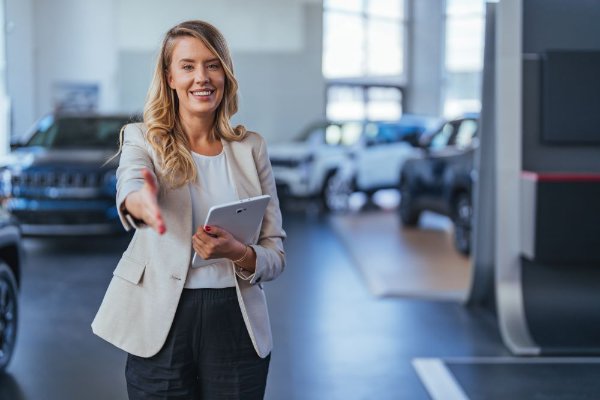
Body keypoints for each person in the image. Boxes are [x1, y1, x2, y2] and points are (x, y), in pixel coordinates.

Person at [92, 20, 286, 399]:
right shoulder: (142, 138)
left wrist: (238, 253)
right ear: (169, 76)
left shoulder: (252, 148)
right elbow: (132, 182)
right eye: (188, 65)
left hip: (236, 321)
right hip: (160, 319)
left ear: (226, 74)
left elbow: (275, 255)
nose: (202, 77)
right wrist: (141, 201)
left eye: (213, 64)